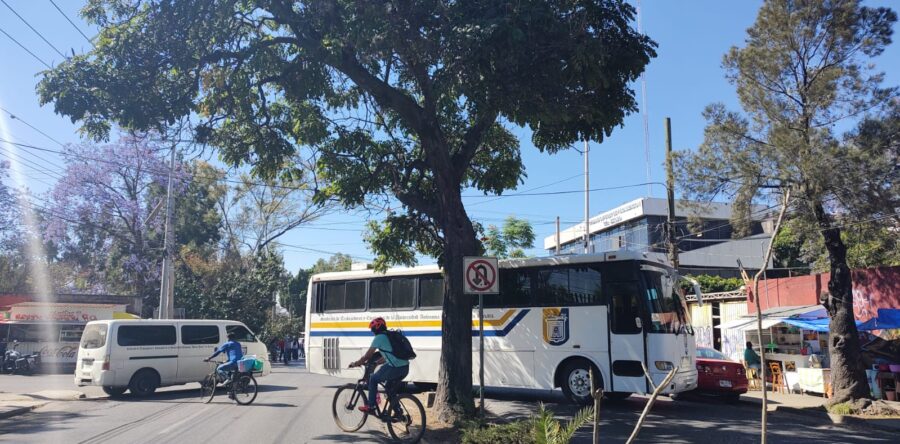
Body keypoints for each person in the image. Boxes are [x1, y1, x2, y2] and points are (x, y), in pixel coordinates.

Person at [349, 317, 409, 413]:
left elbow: (367, 356)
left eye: (372, 329)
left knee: (373, 379)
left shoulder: (379, 338)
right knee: (389, 389)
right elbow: (388, 356)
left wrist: (356, 363)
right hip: (404, 367)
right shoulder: (389, 335)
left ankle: (371, 406)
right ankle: (399, 413)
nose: (372, 332)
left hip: (395, 367)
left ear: (376, 328)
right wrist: (376, 363)